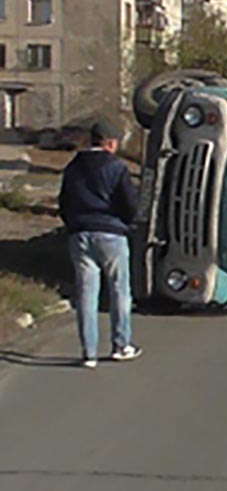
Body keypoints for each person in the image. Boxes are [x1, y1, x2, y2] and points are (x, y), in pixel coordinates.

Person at [58, 119, 142, 369]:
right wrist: (127, 222)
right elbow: (130, 204)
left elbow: (64, 201)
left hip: (79, 233)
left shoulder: (73, 167)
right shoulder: (116, 167)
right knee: (119, 290)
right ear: (111, 143)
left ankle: (89, 352)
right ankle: (121, 344)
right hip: (110, 233)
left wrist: (73, 224)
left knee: (86, 293)